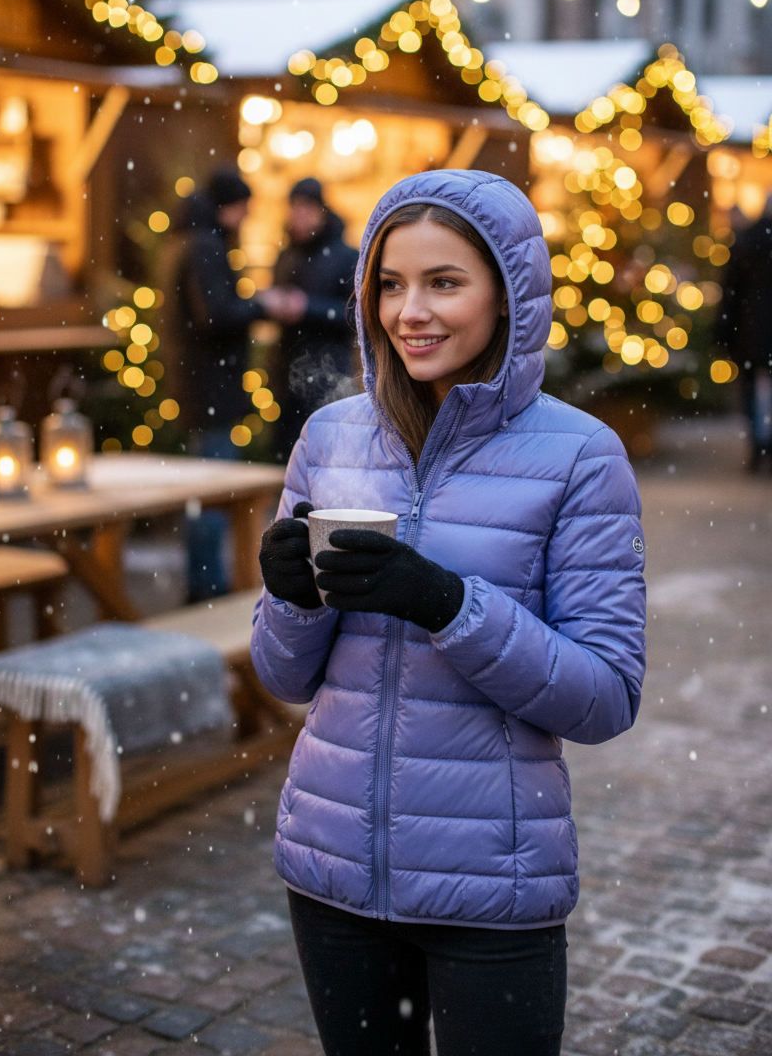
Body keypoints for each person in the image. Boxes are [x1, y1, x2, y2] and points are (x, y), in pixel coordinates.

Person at [251, 170, 646, 1056]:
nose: (409, 312)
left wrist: (447, 603)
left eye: (444, 282)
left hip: (493, 888)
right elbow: (282, 678)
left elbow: (605, 697)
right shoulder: (332, 437)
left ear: (508, 299)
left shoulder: (582, 456)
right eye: (390, 284)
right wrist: (291, 596)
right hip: (333, 869)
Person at [162, 168, 268, 600]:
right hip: (211, 387)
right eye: (243, 207)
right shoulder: (205, 245)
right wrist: (261, 305)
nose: (245, 217)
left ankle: (202, 582)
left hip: (195, 384)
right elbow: (215, 314)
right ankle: (208, 587)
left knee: (203, 492)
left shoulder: (183, 240)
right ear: (229, 205)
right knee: (215, 492)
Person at [266, 178, 358, 462]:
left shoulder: (347, 256)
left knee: (326, 460)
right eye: (294, 207)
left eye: (307, 208)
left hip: (329, 375)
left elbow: (356, 314)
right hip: (285, 375)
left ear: (322, 212)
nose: (300, 215)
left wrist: (307, 307)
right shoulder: (286, 254)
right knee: (288, 461)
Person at [716, 205, 772, 471]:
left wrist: (724, 331)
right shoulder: (746, 243)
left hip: (750, 331)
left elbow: (731, 292)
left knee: (750, 389)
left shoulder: (745, 242)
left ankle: (757, 445)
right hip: (754, 328)